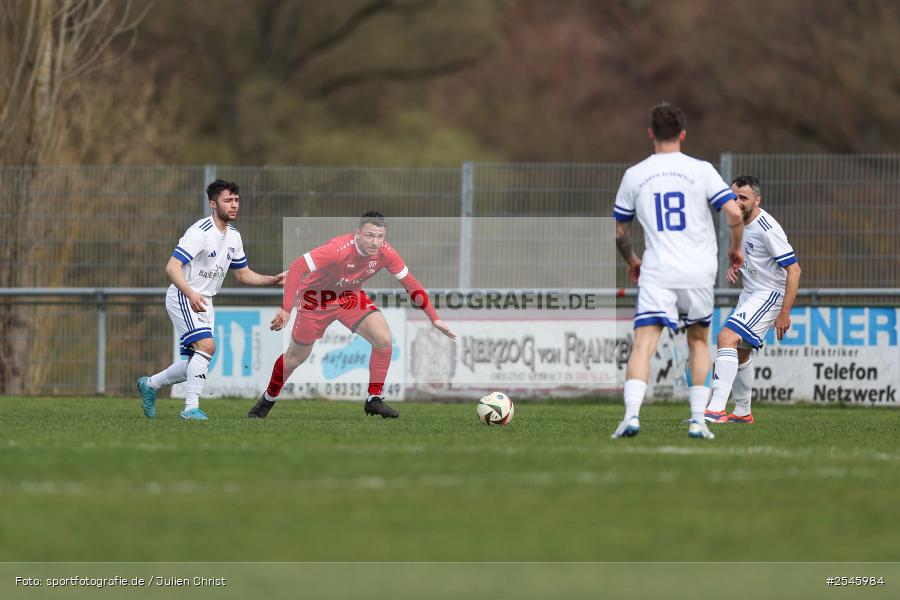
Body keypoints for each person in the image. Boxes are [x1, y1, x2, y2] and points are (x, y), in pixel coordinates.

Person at [611, 102, 744, 440]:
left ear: (650, 133)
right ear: (683, 134)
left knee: (644, 343)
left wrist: (632, 262)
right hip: (699, 271)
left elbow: (620, 233)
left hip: (658, 271)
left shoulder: (636, 175)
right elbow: (733, 213)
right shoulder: (701, 170)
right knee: (698, 342)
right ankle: (699, 420)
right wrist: (736, 247)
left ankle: (631, 416)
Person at [247, 210, 456, 419]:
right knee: (294, 359)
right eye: (370, 235)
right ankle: (267, 400)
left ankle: (373, 399)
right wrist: (286, 309)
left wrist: (434, 318)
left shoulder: (386, 253)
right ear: (358, 233)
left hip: (350, 298)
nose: (375, 242)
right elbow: (297, 266)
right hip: (315, 301)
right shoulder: (337, 249)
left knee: (383, 340)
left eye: (380, 236)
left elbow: (410, 283)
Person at [136, 180, 286, 420]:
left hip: (205, 300)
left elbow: (243, 274)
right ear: (213, 203)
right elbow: (172, 268)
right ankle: (190, 409)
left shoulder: (234, 237)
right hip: (184, 295)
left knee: (198, 360)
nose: (234, 205)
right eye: (228, 200)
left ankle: (151, 384)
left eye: (236, 200)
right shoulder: (200, 232)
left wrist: (273, 280)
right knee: (207, 347)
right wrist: (190, 293)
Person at [704, 175, 801, 424]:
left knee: (725, 337)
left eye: (743, 197)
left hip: (769, 294)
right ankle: (742, 412)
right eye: (734, 196)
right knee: (741, 352)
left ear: (757, 200)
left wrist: (785, 313)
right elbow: (757, 262)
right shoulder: (738, 221)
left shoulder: (767, 228)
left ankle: (714, 411)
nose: (737, 201)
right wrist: (739, 267)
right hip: (752, 292)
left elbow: (794, 270)